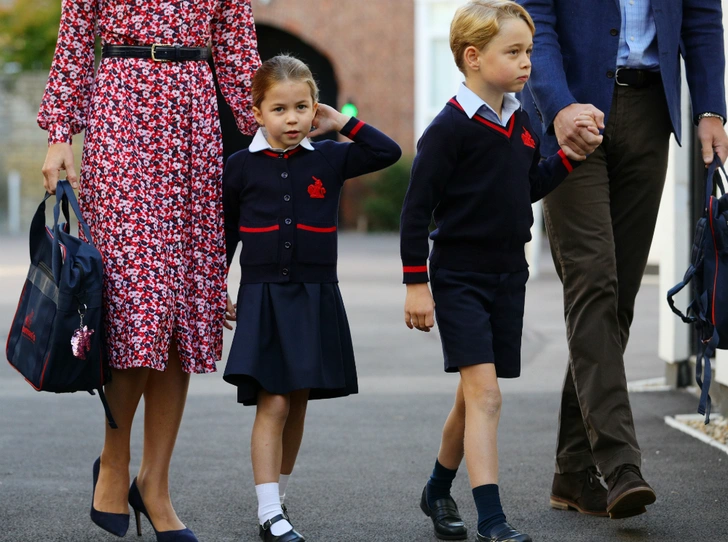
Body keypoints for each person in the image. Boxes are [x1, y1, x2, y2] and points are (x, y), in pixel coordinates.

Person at [37, 2, 260, 540]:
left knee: (181, 306)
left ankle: (154, 484)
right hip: (121, 112)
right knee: (137, 304)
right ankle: (114, 463)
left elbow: (238, 49)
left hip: (193, 115)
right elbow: (74, 39)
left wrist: (275, 128)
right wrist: (59, 133)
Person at [517, 0, 728, 520]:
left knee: (618, 301)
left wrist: (710, 109)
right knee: (593, 283)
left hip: (651, 110)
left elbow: (702, 17)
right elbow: (535, 18)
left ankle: (571, 472)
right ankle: (620, 465)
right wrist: (557, 104)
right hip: (569, 112)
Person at [399, 2, 601, 541]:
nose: (527, 62)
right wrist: (416, 283)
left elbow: (526, 187)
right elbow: (416, 210)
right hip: (458, 277)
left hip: (508, 276)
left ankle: (437, 490)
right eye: (514, 52)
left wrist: (568, 158)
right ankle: (493, 520)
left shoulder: (524, 121)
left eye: (529, 51)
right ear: (473, 57)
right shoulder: (447, 129)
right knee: (486, 395)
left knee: (473, 395)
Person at [222, 54, 401, 542]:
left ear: (314, 108)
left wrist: (342, 122)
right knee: (274, 401)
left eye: (302, 107)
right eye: (279, 109)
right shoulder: (239, 167)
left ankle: (277, 498)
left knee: (297, 401)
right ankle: (267, 511)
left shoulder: (329, 156)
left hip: (316, 292)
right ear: (256, 112)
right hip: (264, 295)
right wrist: (218, 284)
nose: (292, 119)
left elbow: (388, 151)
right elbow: (226, 234)